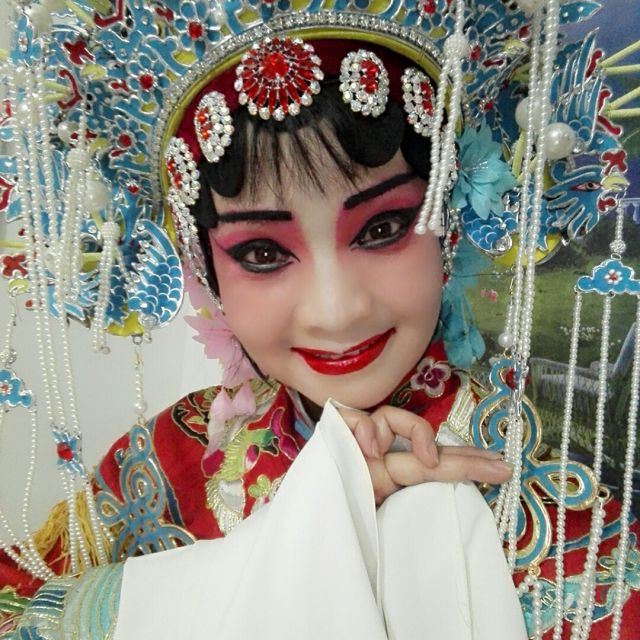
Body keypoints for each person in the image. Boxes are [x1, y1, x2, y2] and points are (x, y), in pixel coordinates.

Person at [0, 1, 638, 638]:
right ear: (207, 272)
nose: (336, 311)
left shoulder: (561, 532)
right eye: (262, 253)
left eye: (382, 228)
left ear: (448, 226)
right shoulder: (169, 460)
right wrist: (302, 532)